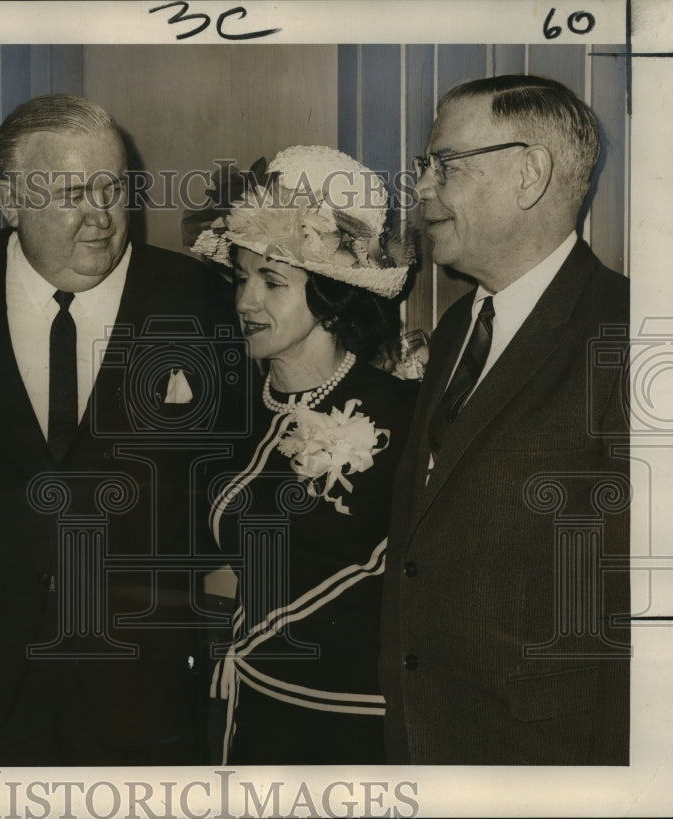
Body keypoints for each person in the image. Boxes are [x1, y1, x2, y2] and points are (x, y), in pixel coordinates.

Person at [0, 93, 243, 765]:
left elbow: (231, 480)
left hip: (142, 683)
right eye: (73, 192)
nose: (101, 217)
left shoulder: (199, 300)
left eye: (113, 188)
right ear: (11, 199)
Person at [379, 74, 630, 764]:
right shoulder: (461, 323)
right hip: (423, 743)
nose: (423, 187)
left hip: (547, 758)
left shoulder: (630, 335)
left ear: (528, 174)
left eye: (444, 164)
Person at [189, 145, 418, 764]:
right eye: (241, 277)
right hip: (248, 716)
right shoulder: (233, 409)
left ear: (333, 294)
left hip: (353, 730)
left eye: (272, 281)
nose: (244, 302)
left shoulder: (400, 413)